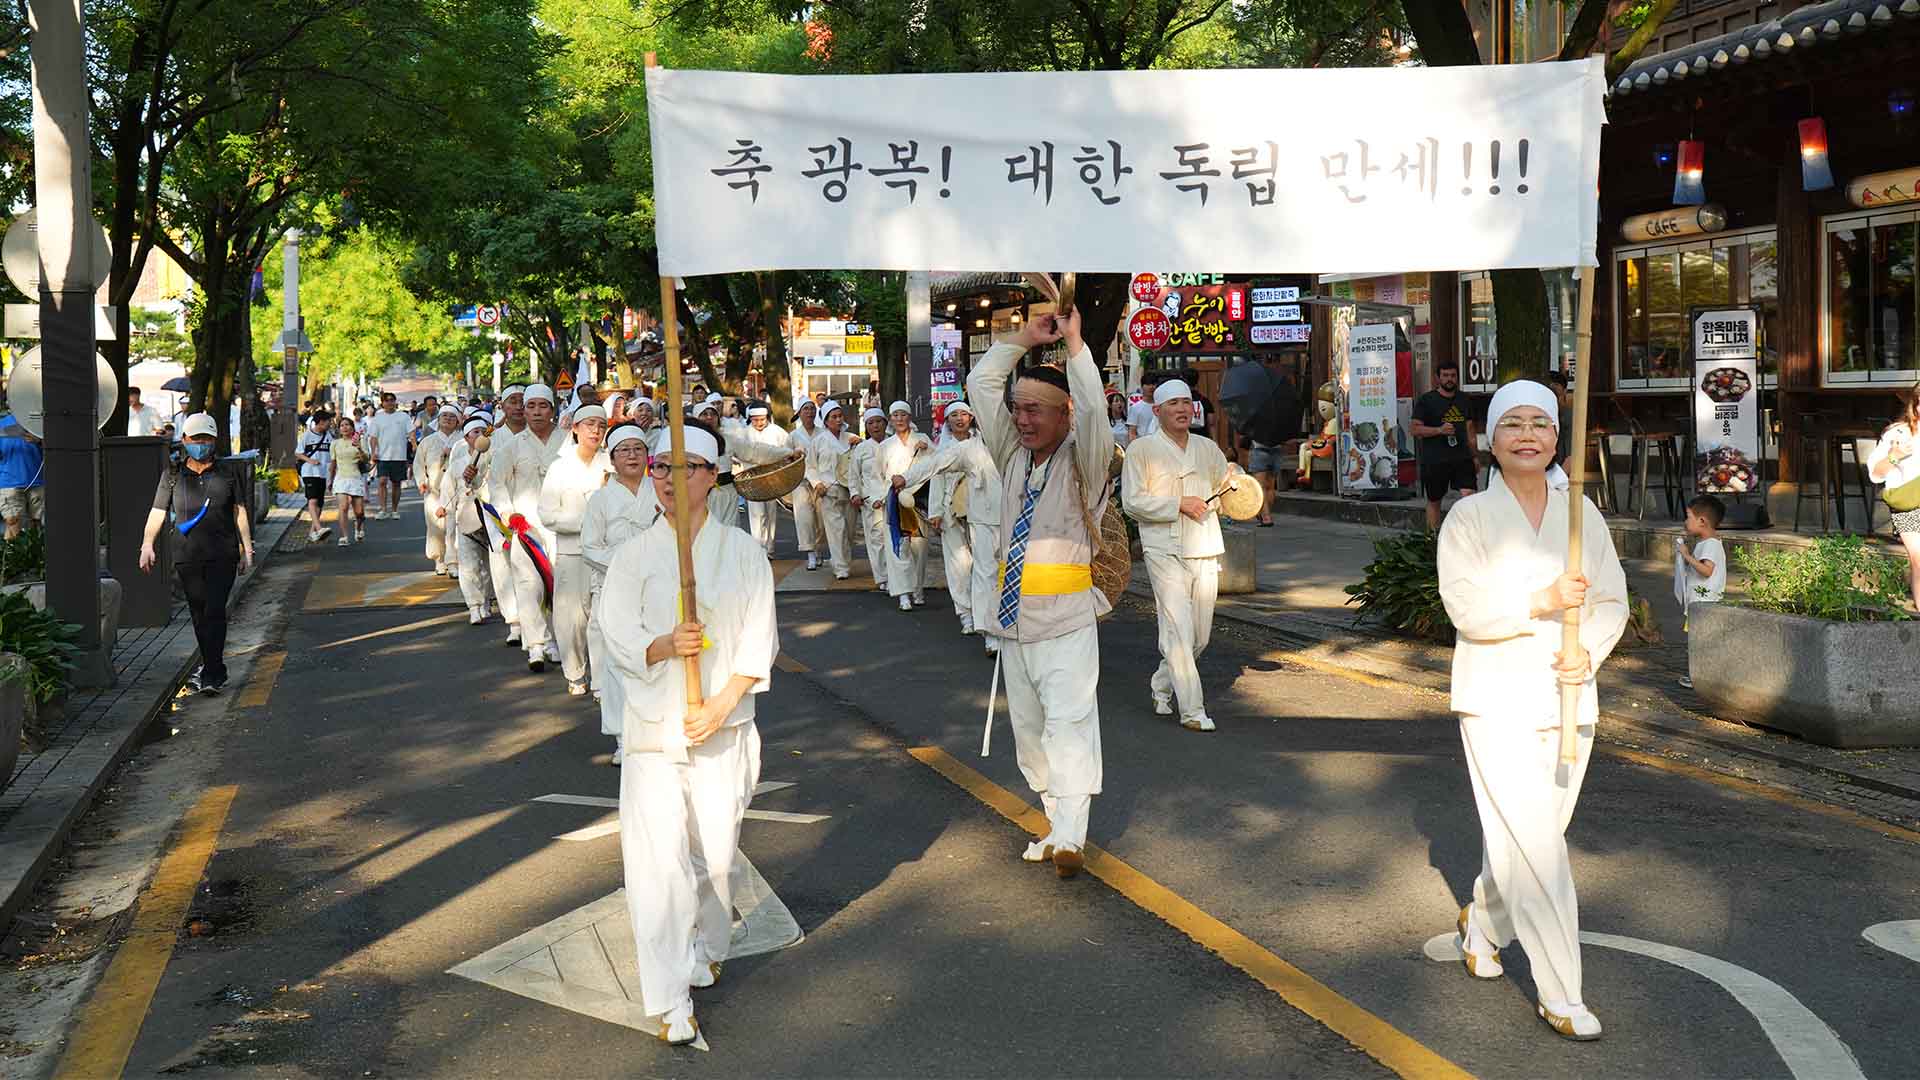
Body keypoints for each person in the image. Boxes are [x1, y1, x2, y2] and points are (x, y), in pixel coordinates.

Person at [1435, 379, 1628, 1043]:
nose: (1527, 434)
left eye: (1540, 424)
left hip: (1570, 697)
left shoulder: (1582, 515)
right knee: (1541, 849)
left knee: (1532, 840)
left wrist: (1591, 652)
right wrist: (1542, 600)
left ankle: (1483, 922)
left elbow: (1611, 601)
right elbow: (1466, 610)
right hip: (1496, 698)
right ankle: (1562, 993)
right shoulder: (1469, 519)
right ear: (1490, 439)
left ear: (1555, 438)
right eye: (1512, 423)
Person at [596, 419, 777, 1047]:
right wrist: (662, 645)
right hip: (652, 731)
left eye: (687, 467)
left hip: (722, 730)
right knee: (656, 867)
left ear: (713, 476)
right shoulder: (633, 555)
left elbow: (760, 639)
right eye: (661, 467)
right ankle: (669, 997)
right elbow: (614, 632)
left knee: (715, 862)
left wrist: (722, 703)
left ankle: (702, 940)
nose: (672, 479)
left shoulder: (743, 553)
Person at [967, 307, 1114, 878]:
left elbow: (1097, 413)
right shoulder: (1012, 455)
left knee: (1068, 724)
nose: (1023, 420)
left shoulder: (1088, 459)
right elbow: (982, 384)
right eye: (1018, 409)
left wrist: (1075, 345)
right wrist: (1023, 339)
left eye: (1035, 410)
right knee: (1029, 737)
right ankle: (1057, 822)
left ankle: (1073, 836)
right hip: (1012, 623)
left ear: (1063, 414)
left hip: (1068, 620)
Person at [1122, 379, 1233, 732]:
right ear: (1157, 411)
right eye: (1174, 404)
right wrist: (1177, 504)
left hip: (1203, 543)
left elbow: (1225, 487)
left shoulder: (1207, 447)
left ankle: (1161, 682)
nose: (1183, 409)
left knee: (1199, 636)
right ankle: (1192, 710)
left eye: (1187, 403)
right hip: (1162, 547)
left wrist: (1239, 483)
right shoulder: (1141, 451)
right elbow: (1132, 502)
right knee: (1178, 628)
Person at [139, 413, 253, 694]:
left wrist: (247, 547)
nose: (201, 444)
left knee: (215, 610)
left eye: (207, 439)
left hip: (223, 554)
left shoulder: (227, 473)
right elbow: (157, 512)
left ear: (214, 441)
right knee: (199, 613)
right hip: (187, 556)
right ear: (184, 440)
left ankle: (212, 674)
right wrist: (147, 545)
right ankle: (213, 667)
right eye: (196, 438)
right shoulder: (173, 476)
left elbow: (239, 511)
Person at [584, 423, 664, 761]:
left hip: (659, 586)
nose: (632, 455)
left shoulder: (661, 490)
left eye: (638, 449)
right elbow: (589, 546)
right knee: (618, 662)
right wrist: (624, 566)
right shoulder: (600, 499)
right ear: (612, 459)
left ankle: (657, 726)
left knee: (658, 658)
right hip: (616, 587)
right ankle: (622, 736)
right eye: (624, 450)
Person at [539, 404, 612, 696]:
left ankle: (602, 679)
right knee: (572, 619)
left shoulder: (611, 463)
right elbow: (547, 513)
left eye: (601, 425)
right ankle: (575, 671)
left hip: (608, 554)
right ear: (575, 429)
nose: (595, 430)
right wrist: (585, 523)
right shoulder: (560, 467)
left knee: (603, 617)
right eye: (589, 424)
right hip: (573, 552)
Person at [896, 401, 984, 634]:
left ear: (972, 417)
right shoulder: (942, 448)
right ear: (947, 421)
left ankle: (984, 613)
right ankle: (966, 615)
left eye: (963, 414)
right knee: (958, 564)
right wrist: (935, 512)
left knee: (983, 563)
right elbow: (936, 478)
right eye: (953, 415)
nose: (959, 419)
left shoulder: (983, 443)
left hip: (981, 511)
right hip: (950, 510)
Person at [501, 383, 569, 673]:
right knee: (529, 586)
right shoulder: (511, 447)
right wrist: (509, 514)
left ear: (552, 410)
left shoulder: (568, 441)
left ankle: (557, 640)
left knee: (561, 587)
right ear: (525, 411)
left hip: (563, 526)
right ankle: (536, 645)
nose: (537, 412)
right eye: (531, 406)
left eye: (543, 406)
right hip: (525, 526)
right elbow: (497, 483)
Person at [1410, 359, 1479, 532]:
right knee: (1434, 500)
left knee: (1468, 497)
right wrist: (1439, 430)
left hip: (1462, 458)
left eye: (1453, 376)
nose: (1450, 379)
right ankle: (1432, 539)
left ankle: (1469, 536)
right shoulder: (1426, 400)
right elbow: (1415, 429)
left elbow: (1470, 430)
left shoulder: (1464, 399)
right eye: (1445, 375)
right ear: (1437, 378)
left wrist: (1475, 456)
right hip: (1435, 459)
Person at [438, 417, 495, 624]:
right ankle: (474, 605)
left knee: (490, 563)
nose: (479, 435)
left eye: (483, 431)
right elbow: (448, 490)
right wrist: (444, 507)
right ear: (466, 438)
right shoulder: (456, 464)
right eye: (475, 432)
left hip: (490, 517)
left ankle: (487, 599)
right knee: (469, 563)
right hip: (466, 517)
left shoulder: (494, 459)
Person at [875, 401, 932, 611]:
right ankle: (903, 593)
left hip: (917, 499)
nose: (899, 419)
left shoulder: (923, 440)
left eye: (903, 415)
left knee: (920, 546)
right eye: (895, 415)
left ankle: (917, 589)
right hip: (893, 499)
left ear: (909, 417)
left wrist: (926, 451)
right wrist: (882, 495)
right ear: (891, 419)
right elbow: (879, 475)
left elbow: (934, 464)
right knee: (898, 547)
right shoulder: (884, 446)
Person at [1869, 386, 1920, 610]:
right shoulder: (1897, 433)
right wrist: (1894, 457)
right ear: (1915, 405)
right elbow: (1876, 474)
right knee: (1918, 558)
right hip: (1907, 503)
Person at [1244, 352, 1305, 528]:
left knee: (1260, 487)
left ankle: (1266, 516)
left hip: (1260, 449)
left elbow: (1248, 426)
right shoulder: (1283, 408)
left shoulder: (1256, 407)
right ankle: (1266, 514)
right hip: (1277, 449)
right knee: (1271, 487)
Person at [1673, 494, 1726, 691]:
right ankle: (1701, 675)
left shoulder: (1710, 545)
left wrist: (1686, 556)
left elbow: (1707, 571)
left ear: (1702, 521)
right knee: (1699, 640)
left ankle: (1699, 676)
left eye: (1688, 517)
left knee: (1700, 642)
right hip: (1700, 602)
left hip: (1705, 603)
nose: (1686, 521)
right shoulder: (1706, 544)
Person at [807, 401, 859, 580]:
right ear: (826, 420)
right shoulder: (818, 441)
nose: (838, 420)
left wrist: (859, 445)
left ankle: (843, 560)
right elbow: (810, 466)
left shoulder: (852, 437)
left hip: (850, 491)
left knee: (850, 531)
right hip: (829, 491)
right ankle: (841, 567)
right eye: (833, 417)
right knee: (837, 531)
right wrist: (816, 483)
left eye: (840, 416)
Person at [414, 406, 461, 574]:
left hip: (458, 491)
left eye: (452, 416)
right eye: (444, 416)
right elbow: (418, 464)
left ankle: (454, 562)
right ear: (438, 420)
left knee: (455, 526)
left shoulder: (463, 440)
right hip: (434, 490)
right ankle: (439, 559)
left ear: (458, 421)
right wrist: (421, 481)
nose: (448, 418)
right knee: (436, 526)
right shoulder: (427, 441)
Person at [851, 408, 891, 593]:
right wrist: (855, 494)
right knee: (876, 539)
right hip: (870, 501)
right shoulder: (861, 449)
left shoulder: (893, 443)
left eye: (878, 421)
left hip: (893, 497)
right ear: (866, 427)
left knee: (895, 538)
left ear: (885, 423)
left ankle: (896, 575)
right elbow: (854, 476)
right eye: (871, 423)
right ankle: (882, 576)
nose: (875, 426)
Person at [739, 406, 788, 555]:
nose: (759, 423)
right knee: (756, 514)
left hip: (772, 477)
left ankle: (769, 547)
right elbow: (737, 452)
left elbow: (787, 447)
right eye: (756, 420)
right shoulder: (744, 433)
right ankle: (757, 548)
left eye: (762, 420)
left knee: (770, 513)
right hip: (752, 478)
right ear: (750, 419)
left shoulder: (777, 431)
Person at [788, 400, 825, 569]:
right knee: (804, 518)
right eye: (806, 409)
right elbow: (785, 458)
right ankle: (810, 553)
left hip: (821, 482)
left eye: (812, 409)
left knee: (821, 518)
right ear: (799, 413)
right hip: (801, 481)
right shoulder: (793, 436)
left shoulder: (823, 433)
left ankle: (818, 550)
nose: (809, 412)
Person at [366, 391, 414, 521]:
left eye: (392, 400)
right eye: (387, 400)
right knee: (382, 481)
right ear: (382, 403)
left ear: (395, 402)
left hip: (399, 455)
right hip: (382, 456)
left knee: (396, 483)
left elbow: (411, 431)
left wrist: (414, 445)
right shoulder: (378, 418)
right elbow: (373, 437)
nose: (390, 402)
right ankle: (382, 509)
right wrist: (374, 452)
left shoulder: (403, 416)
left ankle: (394, 509)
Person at [328, 417, 370, 545]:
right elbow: (333, 463)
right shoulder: (335, 443)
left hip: (355, 477)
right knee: (343, 507)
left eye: (347, 425)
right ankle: (344, 536)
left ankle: (358, 528)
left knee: (359, 512)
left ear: (352, 427)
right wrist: (330, 480)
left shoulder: (359, 441)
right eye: (342, 425)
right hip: (341, 478)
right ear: (339, 429)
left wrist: (359, 448)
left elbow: (366, 459)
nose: (345, 427)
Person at [0, 421, 45, 539]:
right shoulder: (2, 423)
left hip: (37, 479)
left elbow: (58, 446)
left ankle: (29, 555)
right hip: (9, 481)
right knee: (12, 521)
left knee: (36, 525)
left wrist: (39, 441)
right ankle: (16, 555)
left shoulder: (38, 421)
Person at [295, 411, 334, 543]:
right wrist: (310, 461)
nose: (330, 424)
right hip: (309, 472)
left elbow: (333, 454)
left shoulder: (329, 436)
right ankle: (319, 528)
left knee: (320, 504)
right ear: (321, 422)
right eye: (328, 421)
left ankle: (313, 533)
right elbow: (298, 453)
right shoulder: (307, 435)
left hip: (322, 473)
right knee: (312, 500)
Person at [1126, 372, 1163, 442]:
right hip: (1143, 444)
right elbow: (1132, 432)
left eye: (1153, 384)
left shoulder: (1162, 406)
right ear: (1142, 386)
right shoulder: (1135, 407)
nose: (1151, 387)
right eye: (1148, 384)